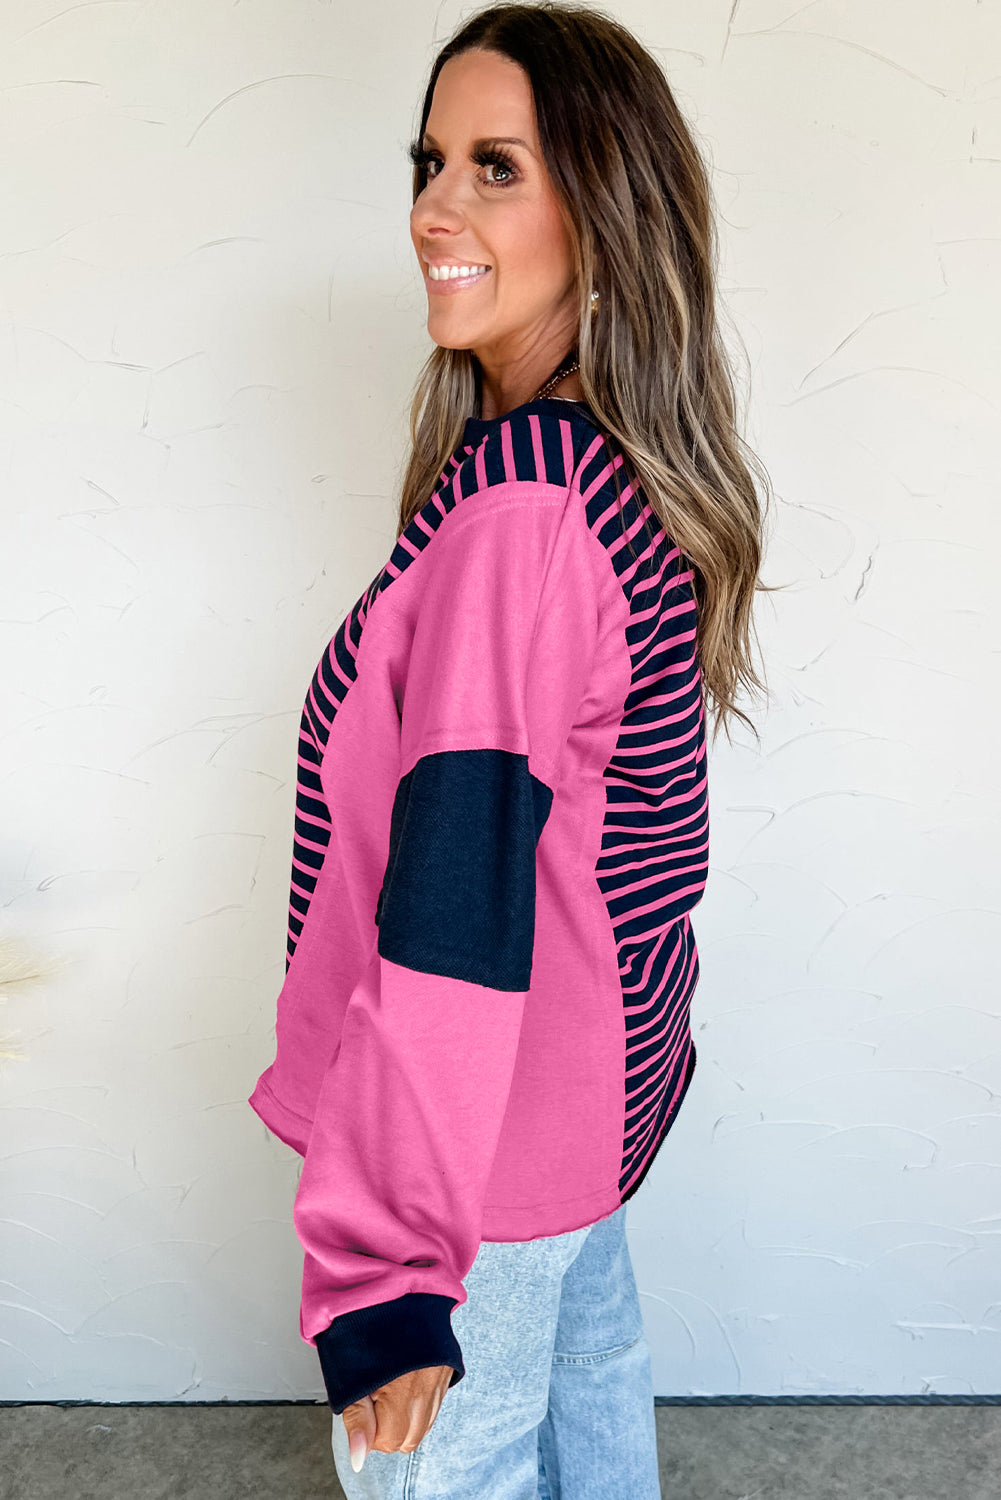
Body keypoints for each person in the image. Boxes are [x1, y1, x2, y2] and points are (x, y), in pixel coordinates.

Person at [248, 3, 772, 1495]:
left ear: (600, 212)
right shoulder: (593, 468)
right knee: (588, 1422)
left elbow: (452, 914)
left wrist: (390, 1268)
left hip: (473, 1166)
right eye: (429, 161)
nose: (432, 208)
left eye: (494, 168)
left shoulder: (524, 515)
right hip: (575, 1112)